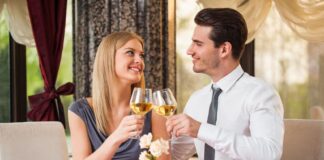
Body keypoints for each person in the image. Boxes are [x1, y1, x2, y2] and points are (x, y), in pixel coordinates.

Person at [166, 8, 284, 160]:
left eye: (198, 44)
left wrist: (202, 130)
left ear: (224, 50)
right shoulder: (197, 100)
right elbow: (175, 154)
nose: (189, 51)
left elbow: (269, 154)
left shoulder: (260, 94)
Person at [68, 32, 170, 160]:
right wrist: (117, 137)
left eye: (141, 55)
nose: (139, 60)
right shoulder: (80, 111)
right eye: (130, 52)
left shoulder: (154, 110)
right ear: (108, 58)